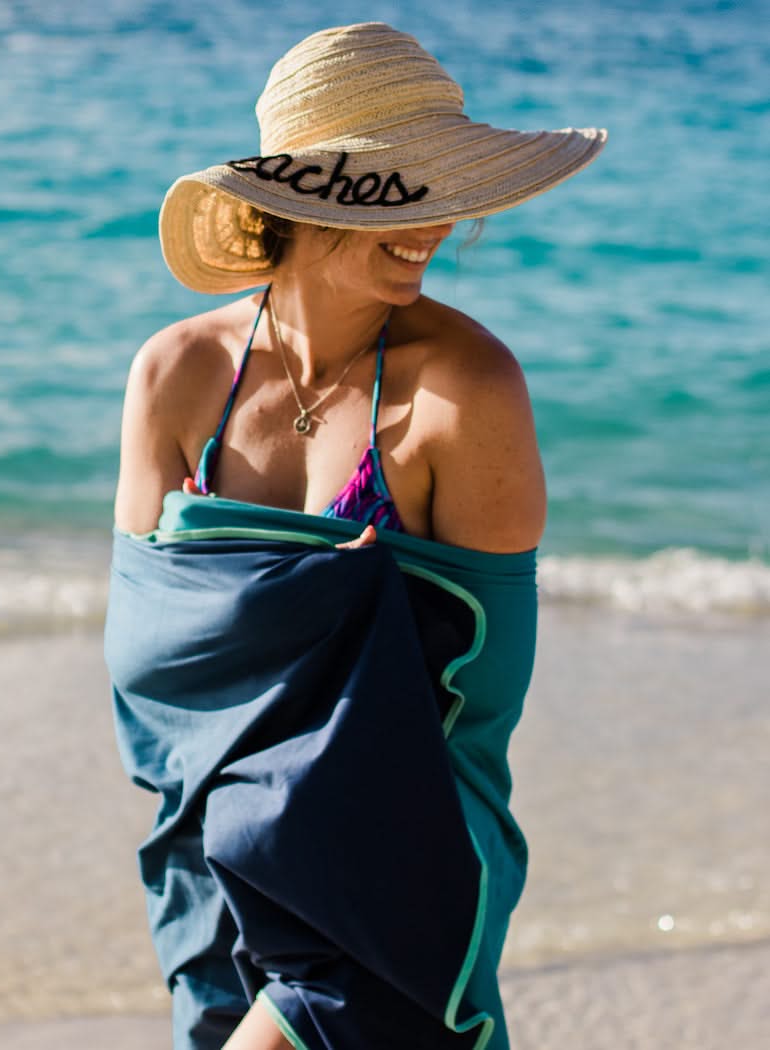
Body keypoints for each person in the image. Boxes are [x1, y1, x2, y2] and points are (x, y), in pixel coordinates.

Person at [107, 22, 606, 1050]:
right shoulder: (176, 375)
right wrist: (310, 608)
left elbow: (476, 709)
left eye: (445, 191)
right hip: (209, 863)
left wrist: (323, 978)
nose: (438, 223)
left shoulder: (464, 393)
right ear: (303, 199)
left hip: (390, 879)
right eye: (406, 188)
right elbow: (147, 672)